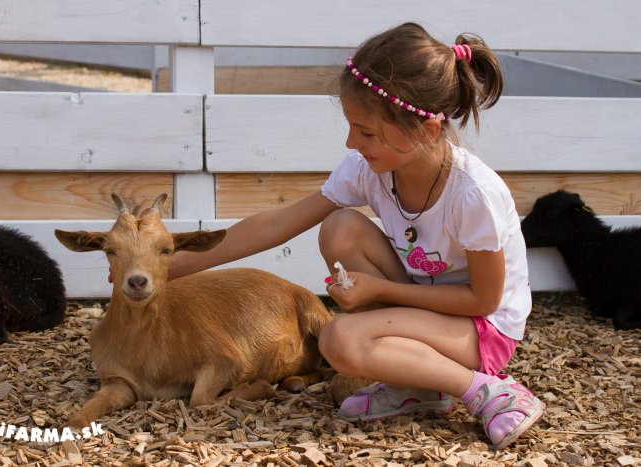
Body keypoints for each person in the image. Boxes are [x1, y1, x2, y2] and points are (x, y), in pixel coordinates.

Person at [167, 22, 545, 450]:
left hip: (483, 329)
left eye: (366, 132)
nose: (352, 141)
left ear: (426, 129)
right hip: (427, 306)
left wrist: (379, 289)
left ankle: (489, 391)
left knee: (338, 340)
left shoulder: (473, 195)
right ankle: (420, 386)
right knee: (339, 227)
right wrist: (175, 266)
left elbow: (483, 301)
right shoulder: (369, 171)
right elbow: (276, 224)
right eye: (351, 126)